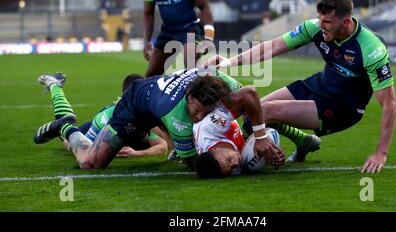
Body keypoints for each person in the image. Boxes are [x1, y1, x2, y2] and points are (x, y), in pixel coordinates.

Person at [205, 0, 396, 174]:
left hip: (343, 107)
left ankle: (235, 158)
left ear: (346, 22)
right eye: (320, 19)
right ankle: (303, 141)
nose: (321, 26)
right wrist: (229, 62)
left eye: (327, 22)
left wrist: (381, 152)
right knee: (252, 111)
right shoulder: (315, 27)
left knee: (264, 112)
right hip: (318, 85)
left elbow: (389, 104)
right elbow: (273, 47)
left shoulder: (372, 49)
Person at [33, 68, 282, 171]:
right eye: (194, 110)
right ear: (188, 97)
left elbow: (251, 95)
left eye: (203, 113)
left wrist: (261, 138)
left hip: (158, 96)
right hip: (136, 105)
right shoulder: (178, 115)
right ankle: (66, 125)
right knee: (90, 163)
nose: (197, 117)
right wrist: (236, 163)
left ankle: (303, 139)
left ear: (217, 101)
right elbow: (195, 163)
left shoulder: (224, 85)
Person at [35, 73, 169, 158]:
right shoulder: (106, 119)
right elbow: (86, 151)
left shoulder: (145, 112)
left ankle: (63, 127)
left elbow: (163, 146)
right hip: (94, 127)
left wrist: (136, 154)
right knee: (71, 145)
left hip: (123, 131)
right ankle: (54, 86)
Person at [194, 102, 283, 179]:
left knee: (263, 112)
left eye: (228, 160)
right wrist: (272, 155)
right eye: (231, 168)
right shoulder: (230, 167)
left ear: (214, 149)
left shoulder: (213, 125)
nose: (235, 163)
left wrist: (261, 137)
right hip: (233, 134)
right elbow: (254, 160)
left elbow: (248, 95)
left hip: (211, 99)